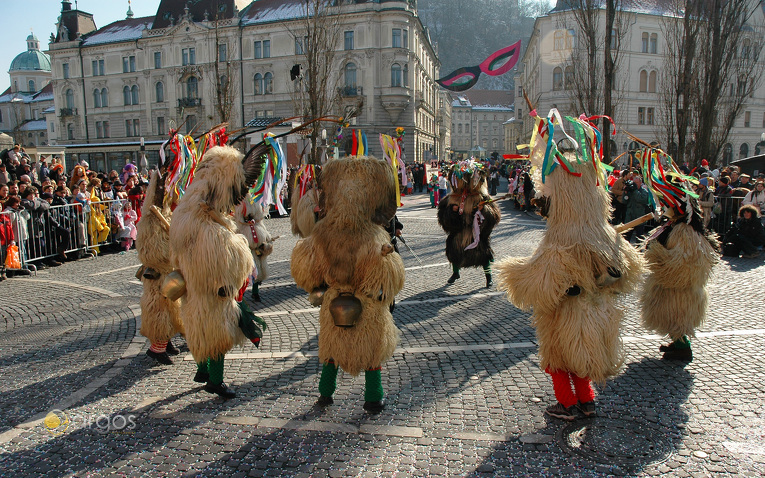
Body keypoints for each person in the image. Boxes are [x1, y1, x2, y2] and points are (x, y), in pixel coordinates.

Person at [437, 160, 500, 288]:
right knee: (455, 253)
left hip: (475, 233)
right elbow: (442, 218)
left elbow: (495, 217)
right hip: (459, 232)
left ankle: (489, 277)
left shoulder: (483, 198)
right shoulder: (451, 198)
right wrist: (451, 212)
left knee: (483, 256)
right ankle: (456, 273)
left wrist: (484, 210)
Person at [622, 173, 651, 242]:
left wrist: (635, 191)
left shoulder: (644, 191)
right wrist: (625, 193)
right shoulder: (630, 191)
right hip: (630, 217)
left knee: (639, 237)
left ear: (641, 183)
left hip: (639, 218)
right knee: (627, 237)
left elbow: (641, 199)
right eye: (634, 183)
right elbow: (624, 201)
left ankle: (638, 250)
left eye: (637, 183)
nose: (635, 184)